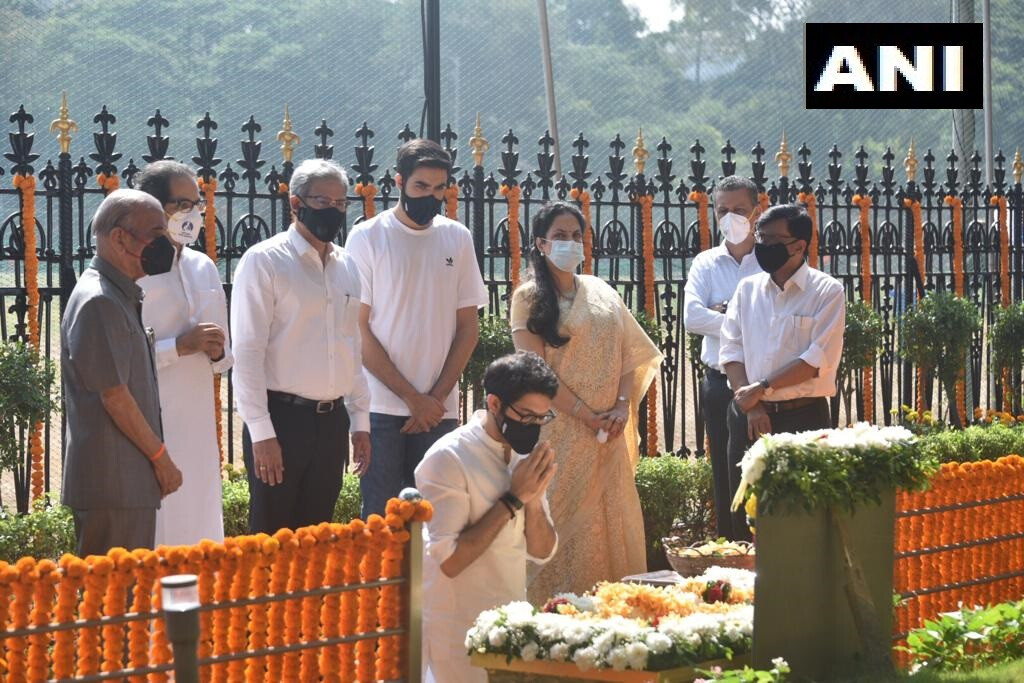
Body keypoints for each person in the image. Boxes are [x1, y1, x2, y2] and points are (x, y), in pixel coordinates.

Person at [509, 201, 662, 601]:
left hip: (607, 436)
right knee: (561, 530)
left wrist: (620, 407)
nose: (570, 243)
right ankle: (559, 625)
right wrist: (586, 415)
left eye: (577, 236)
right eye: (560, 236)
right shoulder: (528, 298)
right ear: (541, 244)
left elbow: (632, 354)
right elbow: (535, 373)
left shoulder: (602, 292)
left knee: (608, 527)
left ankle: (615, 620)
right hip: (558, 434)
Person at [346, 139, 488, 517]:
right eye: (421, 187)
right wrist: (412, 398)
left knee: (437, 520)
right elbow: (359, 330)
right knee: (381, 521)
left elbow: (468, 327)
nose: (431, 196)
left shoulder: (457, 238)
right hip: (381, 408)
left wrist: (434, 400)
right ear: (399, 182)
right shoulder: (366, 237)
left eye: (439, 189)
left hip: (440, 410)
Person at [231, 158, 371, 534]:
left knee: (316, 539)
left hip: (331, 424)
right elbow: (246, 353)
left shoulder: (347, 266)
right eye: (322, 201)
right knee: (272, 540)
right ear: (296, 204)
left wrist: (360, 419)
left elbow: (351, 345)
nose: (333, 210)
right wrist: (261, 432)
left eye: (341, 203)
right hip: (281, 420)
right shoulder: (265, 261)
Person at [415, 351, 559, 683]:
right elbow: (449, 561)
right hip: (457, 634)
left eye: (542, 418)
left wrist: (534, 501)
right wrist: (513, 498)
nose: (533, 427)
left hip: (509, 627)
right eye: (526, 417)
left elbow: (542, 550)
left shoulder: (522, 455)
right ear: (494, 404)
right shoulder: (447, 459)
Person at [61, 189, 183, 556]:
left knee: (125, 605)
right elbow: (114, 396)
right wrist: (161, 459)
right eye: (157, 233)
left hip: (124, 483)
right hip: (113, 485)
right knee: (113, 605)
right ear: (119, 238)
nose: (167, 243)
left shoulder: (117, 295)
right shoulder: (100, 300)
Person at [720, 204, 846, 539]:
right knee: (745, 522)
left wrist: (759, 388)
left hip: (802, 419)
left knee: (801, 519)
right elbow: (731, 351)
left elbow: (813, 360)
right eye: (760, 236)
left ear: (799, 246)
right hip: (749, 419)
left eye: (774, 238)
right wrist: (752, 403)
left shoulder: (827, 291)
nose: (763, 245)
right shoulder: (747, 290)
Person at [136, 160, 232, 546]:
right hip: (150, 421)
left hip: (197, 425)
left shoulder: (203, 266)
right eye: (182, 204)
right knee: (159, 529)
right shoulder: (134, 269)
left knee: (200, 522)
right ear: (153, 207)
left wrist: (215, 352)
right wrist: (179, 346)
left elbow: (226, 358)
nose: (191, 213)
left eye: (197, 204)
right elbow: (124, 355)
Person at [683, 175, 762, 540]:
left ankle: (768, 547)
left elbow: (775, 319)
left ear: (756, 213)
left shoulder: (768, 261)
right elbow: (692, 317)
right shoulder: (706, 263)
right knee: (725, 471)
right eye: (723, 210)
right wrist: (744, 319)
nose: (731, 218)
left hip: (763, 384)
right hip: (718, 383)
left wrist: (725, 312)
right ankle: (732, 547)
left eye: (740, 210)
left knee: (764, 467)